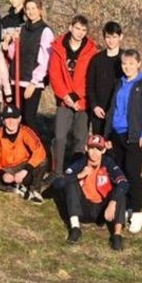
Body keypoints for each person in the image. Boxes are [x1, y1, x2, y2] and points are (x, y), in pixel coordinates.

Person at [104, 49, 142, 234]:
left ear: (138, 63)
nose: (127, 67)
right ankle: (124, 208)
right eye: (124, 64)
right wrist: (107, 135)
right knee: (121, 174)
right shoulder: (119, 83)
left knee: (133, 173)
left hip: (134, 136)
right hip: (117, 135)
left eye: (131, 64)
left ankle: (137, 212)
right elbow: (113, 109)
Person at [55, 134, 129, 251]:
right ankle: (75, 228)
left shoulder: (109, 163)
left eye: (98, 149)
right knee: (71, 183)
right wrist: (79, 175)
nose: (94, 152)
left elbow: (124, 183)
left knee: (119, 191)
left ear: (103, 150)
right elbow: (58, 183)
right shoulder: (80, 163)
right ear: (86, 148)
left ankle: (117, 235)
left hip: (102, 210)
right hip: (84, 209)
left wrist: (112, 202)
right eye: (91, 148)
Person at [48, 15, 97, 175]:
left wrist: (77, 97)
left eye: (84, 30)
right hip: (64, 101)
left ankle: (76, 172)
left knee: (80, 138)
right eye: (77, 28)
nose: (80, 32)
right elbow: (54, 75)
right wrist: (66, 96)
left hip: (82, 102)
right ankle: (57, 173)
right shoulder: (58, 47)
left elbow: (89, 77)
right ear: (70, 27)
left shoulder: (91, 50)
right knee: (60, 137)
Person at [0, 104, 47, 204]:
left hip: (25, 167)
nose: (11, 122)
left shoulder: (26, 132)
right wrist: (3, 174)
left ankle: (34, 189)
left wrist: (25, 170)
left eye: (14, 118)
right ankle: (14, 189)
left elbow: (39, 151)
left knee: (43, 160)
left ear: (19, 119)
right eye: (7, 118)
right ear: (2, 120)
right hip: (7, 169)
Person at [5, 0, 53, 131]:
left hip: (31, 83)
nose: (31, 12)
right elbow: (12, 55)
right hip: (16, 80)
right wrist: (12, 42)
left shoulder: (45, 31)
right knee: (15, 119)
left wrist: (34, 82)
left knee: (28, 118)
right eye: (28, 9)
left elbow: (45, 59)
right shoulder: (21, 29)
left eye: (34, 8)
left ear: (40, 10)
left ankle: (37, 149)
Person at [87, 21, 124, 135]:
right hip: (99, 111)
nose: (111, 40)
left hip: (119, 112)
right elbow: (90, 85)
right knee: (99, 145)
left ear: (120, 37)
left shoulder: (125, 59)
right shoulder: (96, 60)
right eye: (108, 37)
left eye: (114, 37)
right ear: (104, 37)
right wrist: (95, 106)